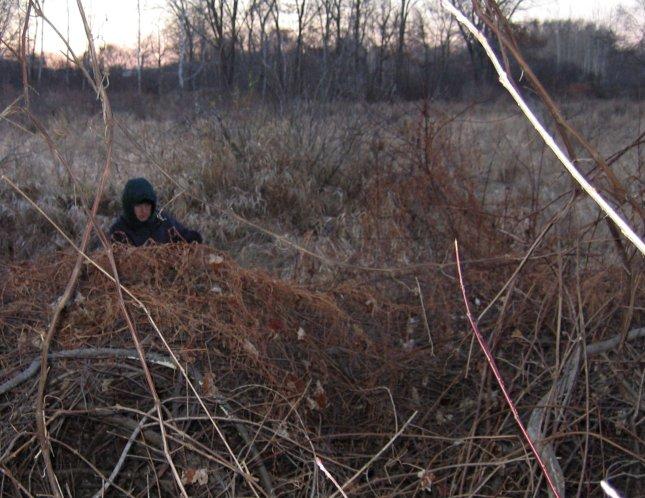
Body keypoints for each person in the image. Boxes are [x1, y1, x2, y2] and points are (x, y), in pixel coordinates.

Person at [109, 177, 203, 246]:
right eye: (138, 206)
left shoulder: (162, 220)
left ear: (152, 205)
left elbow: (184, 236)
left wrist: (194, 239)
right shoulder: (118, 231)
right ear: (129, 206)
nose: (143, 210)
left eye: (147, 205)